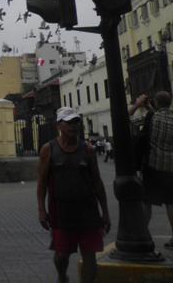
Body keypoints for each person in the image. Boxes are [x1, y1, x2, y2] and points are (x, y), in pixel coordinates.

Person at [37, 107, 110, 283]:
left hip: (88, 212)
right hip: (61, 212)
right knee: (61, 256)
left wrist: (105, 212)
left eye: (76, 121)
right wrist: (41, 209)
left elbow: (97, 182)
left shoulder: (89, 150)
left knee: (90, 258)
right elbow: (42, 183)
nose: (73, 126)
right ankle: (62, 277)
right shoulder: (48, 149)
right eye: (68, 122)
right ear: (59, 125)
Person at [140, 91, 173, 249]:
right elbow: (160, 116)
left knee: (146, 201)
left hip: (153, 166)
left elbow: (130, 119)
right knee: (171, 203)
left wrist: (139, 105)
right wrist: (149, 107)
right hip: (171, 167)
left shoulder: (153, 118)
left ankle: (143, 234)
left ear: (157, 103)